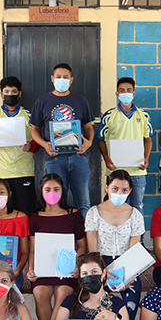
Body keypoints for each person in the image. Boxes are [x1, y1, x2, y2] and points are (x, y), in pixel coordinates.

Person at [27, 173, 87, 320]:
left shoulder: (74, 214)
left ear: (63, 192)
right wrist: (31, 269)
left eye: (56, 189)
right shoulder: (35, 217)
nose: (52, 193)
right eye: (47, 189)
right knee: (39, 293)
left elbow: (81, 246)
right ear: (41, 192)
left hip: (66, 270)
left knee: (63, 293)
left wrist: (76, 266)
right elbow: (33, 248)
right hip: (43, 270)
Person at [30, 63, 96, 217]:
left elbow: (89, 127)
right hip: (54, 159)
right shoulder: (42, 101)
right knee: (56, 203)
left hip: (79, 157)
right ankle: (61, 239)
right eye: (58, 77)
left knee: (84, 203)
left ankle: (84, 240)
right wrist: (44, 144)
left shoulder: (80, 100)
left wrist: (90, 141)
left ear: (71, 80)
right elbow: (34, 130)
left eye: (65, 77)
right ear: (52, 79)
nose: (62, 79)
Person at [85, 170, 145, 320]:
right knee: (95, 301)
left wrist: (127, 276)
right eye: (115, 189)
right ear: (107, 188)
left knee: (131, 298)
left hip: (126, 265)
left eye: (124, 190)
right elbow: (92, 252)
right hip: (99, 264)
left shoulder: (135, 214)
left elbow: (134, 252)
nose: (120, 193)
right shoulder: (94, 213)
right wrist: (104, 276)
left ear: (130, 191)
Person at [0, 76, 39, 215]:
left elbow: (38, 141)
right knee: (5, 211)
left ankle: (26, 237)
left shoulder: (29, 115)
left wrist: (30, 146)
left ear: (19, 94)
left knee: (26, 210)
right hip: (3, 172)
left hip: (24, 171)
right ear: (1, 94)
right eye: (6, 91)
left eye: (14, 91)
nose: (10, 95)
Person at [97, 77, 153, 213]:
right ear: (117, 94)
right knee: (114, 207)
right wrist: (106, 158)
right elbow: (101, 140)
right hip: (116, 169)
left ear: (134, 93)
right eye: (122, 90)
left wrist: (147, 158)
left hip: (138, 170)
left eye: (129, 90)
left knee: (137, 208)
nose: (125, 93)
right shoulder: (109, 116)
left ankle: (136, 235)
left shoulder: (143, 115)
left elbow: (148, 139)